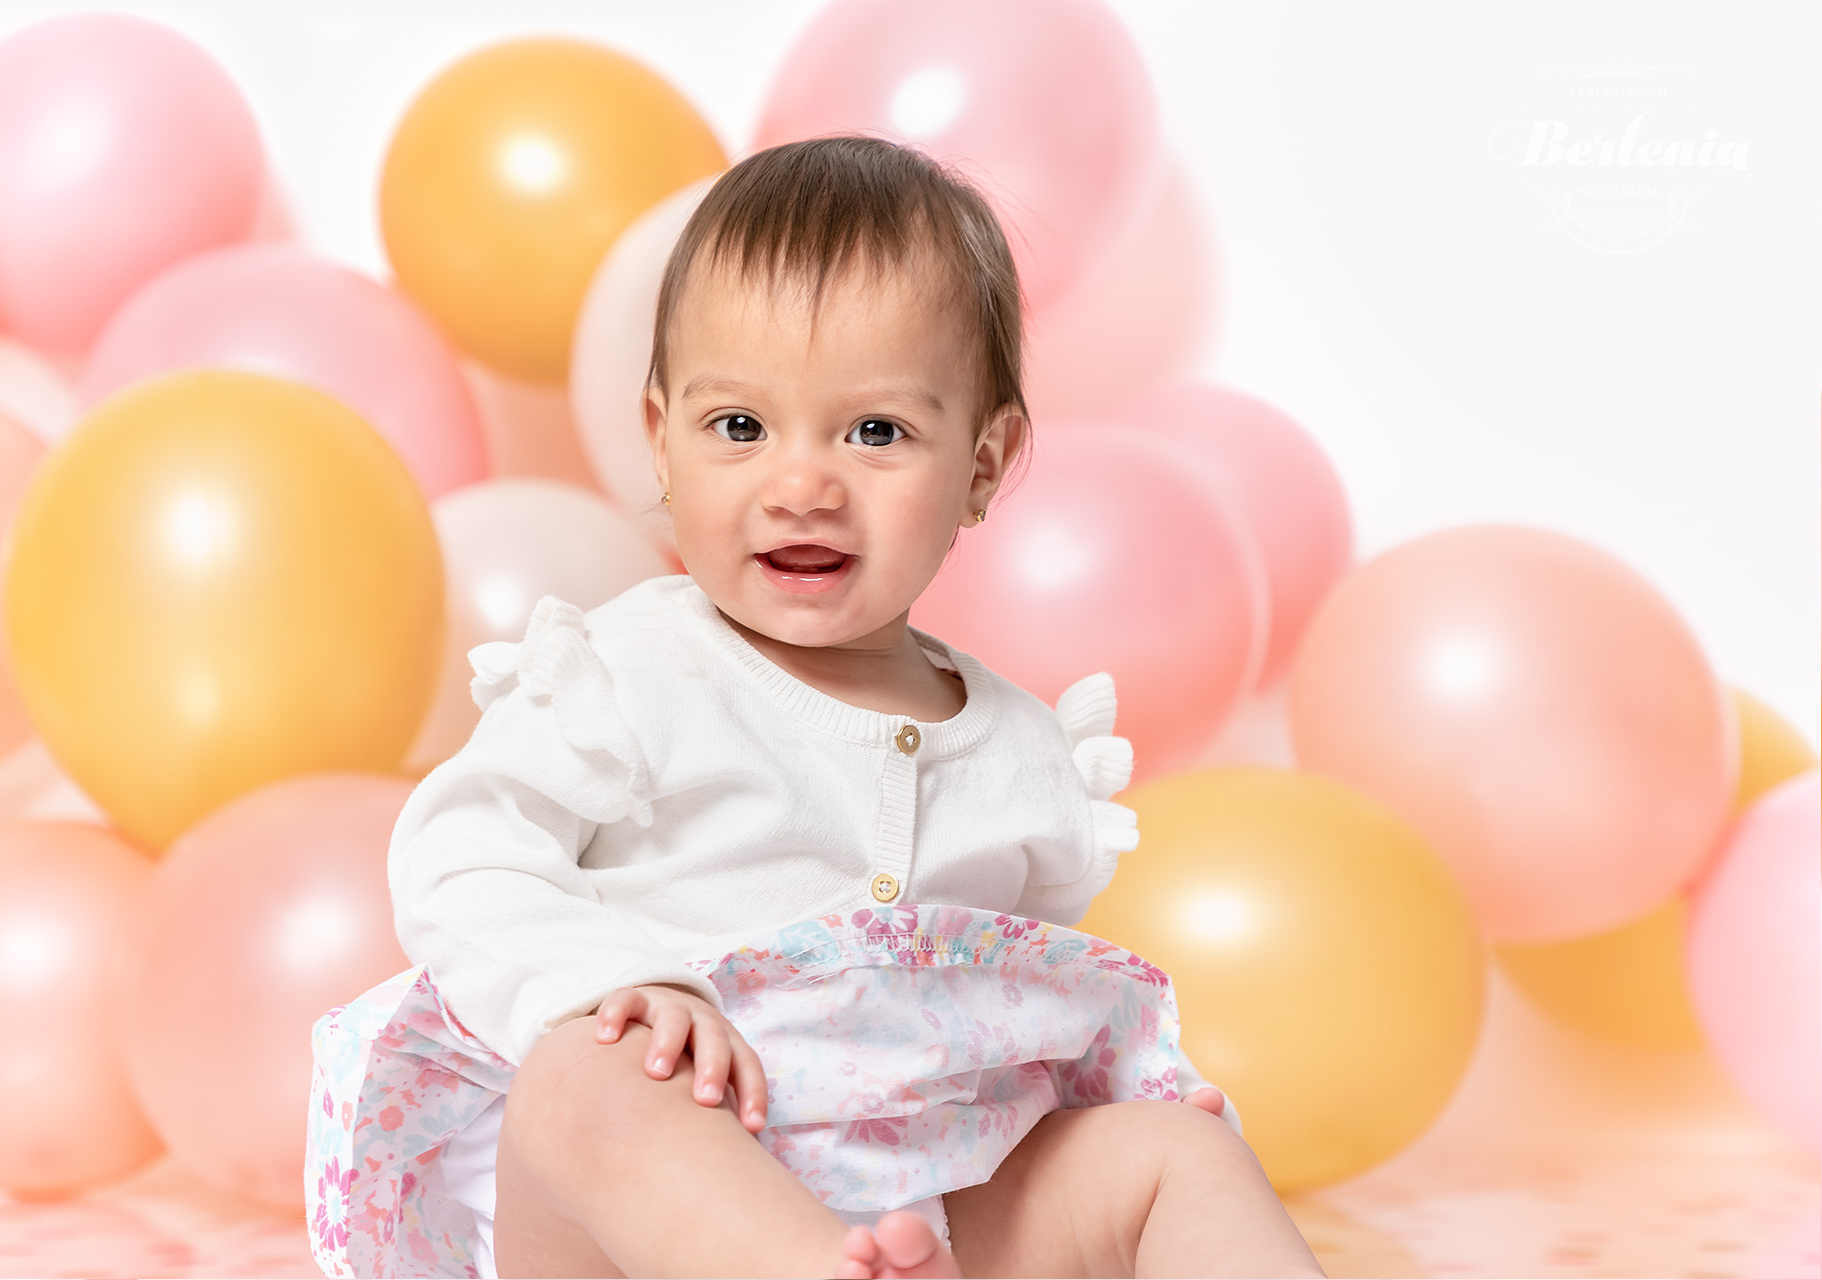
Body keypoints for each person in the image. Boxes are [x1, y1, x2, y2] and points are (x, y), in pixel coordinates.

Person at [305, 135, 1323, 1280]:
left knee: (1175, 1155)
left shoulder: (1026, 756)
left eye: (876, 431)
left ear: (983, 464)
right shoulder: (631, 673)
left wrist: (1117, 1091)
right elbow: (460, 851)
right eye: (740, 427)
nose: (801, 485)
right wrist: (617, 983)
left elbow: (1014, 1007)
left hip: (928, 1207)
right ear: (662, 440)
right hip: (639, 1229)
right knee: (587, 1076)